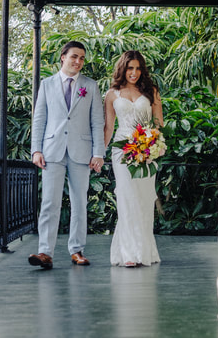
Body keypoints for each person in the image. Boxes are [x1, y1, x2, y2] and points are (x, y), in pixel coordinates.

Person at [29, 41, 105, 269]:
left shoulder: (90, 86)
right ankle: (45, 252)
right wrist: (36, 149)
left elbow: (97, 121)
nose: (78, 62)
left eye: (82, 58)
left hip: (81, 152)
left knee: (79, 203)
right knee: (50, 203)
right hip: (52, 151)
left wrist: (98, 153)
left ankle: (77, 250)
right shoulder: (47, 84)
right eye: (74, 56)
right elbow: (39, 118)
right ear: (63, 57)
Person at [104, 51, 164, 267]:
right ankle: (129, 253)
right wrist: (98, 154)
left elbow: (158, 122)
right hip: (122, 151)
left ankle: (144, 251)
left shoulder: (151, 92)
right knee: (127, 198)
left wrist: (150, 143)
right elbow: (109, 127)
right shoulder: (112, 94)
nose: (134, 72)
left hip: (147, 150)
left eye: (138, 68)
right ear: (123, 69)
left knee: (145, 198)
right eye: (130, 68)